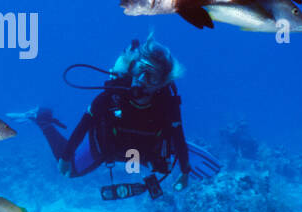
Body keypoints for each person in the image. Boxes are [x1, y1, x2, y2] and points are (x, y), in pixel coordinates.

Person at [32, 37, 214, 193]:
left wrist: (184, 171)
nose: (142, 79)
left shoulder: (166, 104)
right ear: (133, 68)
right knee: (70, 171)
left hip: (143, 150)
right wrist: (65, 157)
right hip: (109, 145)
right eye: (140, 70)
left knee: (162, 163)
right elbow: (84, 125)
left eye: (152, 76)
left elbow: (178, 133)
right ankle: (44, 121)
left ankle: (170, 149)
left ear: (162, 83)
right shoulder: (112, 95)